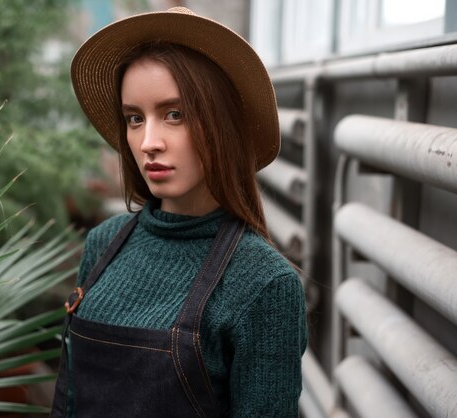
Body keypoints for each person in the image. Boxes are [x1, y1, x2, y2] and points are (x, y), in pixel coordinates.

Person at [52, 7, 307, 418]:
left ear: (220, 123)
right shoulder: (103, 243)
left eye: (174, 114)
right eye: (134, 118)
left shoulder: (263, 285)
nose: (148, 141)